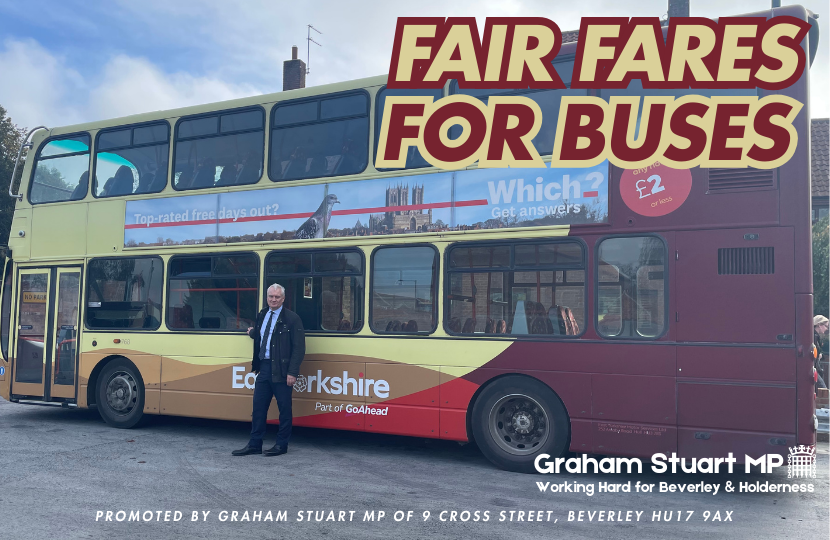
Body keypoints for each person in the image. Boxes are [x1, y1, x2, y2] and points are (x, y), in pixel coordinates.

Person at [233, 284, 305, 457]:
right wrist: (253, 333)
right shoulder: (263, 314)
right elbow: (263, 334)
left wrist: (292, 372)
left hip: (282, 370)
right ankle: (255, 444)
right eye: (271, 296)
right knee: (258, 408)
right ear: (267, 298)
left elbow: (299, 348)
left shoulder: (292, 319)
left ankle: (281, 445)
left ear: (283, 299)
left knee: (284, 410)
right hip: (264, 368)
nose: (273, 299)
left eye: (277, 297)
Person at [814, 315, 829, 390]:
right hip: (813, 368)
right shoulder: (814, 337)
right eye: (826, 326)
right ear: (819, 325)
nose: (826, 329)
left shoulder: (815, 337)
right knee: (823, 390)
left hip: (814, 368)